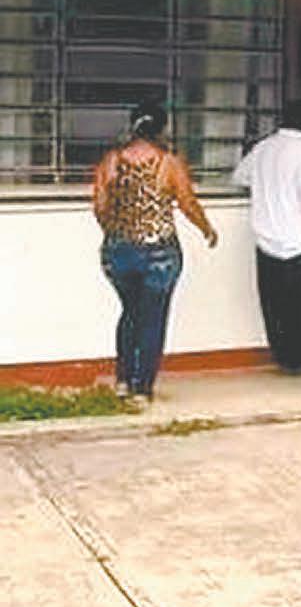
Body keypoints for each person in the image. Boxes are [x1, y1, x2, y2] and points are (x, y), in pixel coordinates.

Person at [91, 101, 217, 400]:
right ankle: (142, 387)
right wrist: (207, 229)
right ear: (162, 129)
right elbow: (187, 203)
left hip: (118, 250)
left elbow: (100, 205)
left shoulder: (112, 160)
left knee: (130, 313)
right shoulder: (168, 163)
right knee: (153, 318)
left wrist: (116, 231)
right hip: (159, 251)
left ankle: (123, 380)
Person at [232, 97, 301, 374]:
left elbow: (239, 177)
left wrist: (267, 186)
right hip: (299, 240)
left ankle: (286, 358)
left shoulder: (263, 148)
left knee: (276, 306)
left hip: (266, 241)